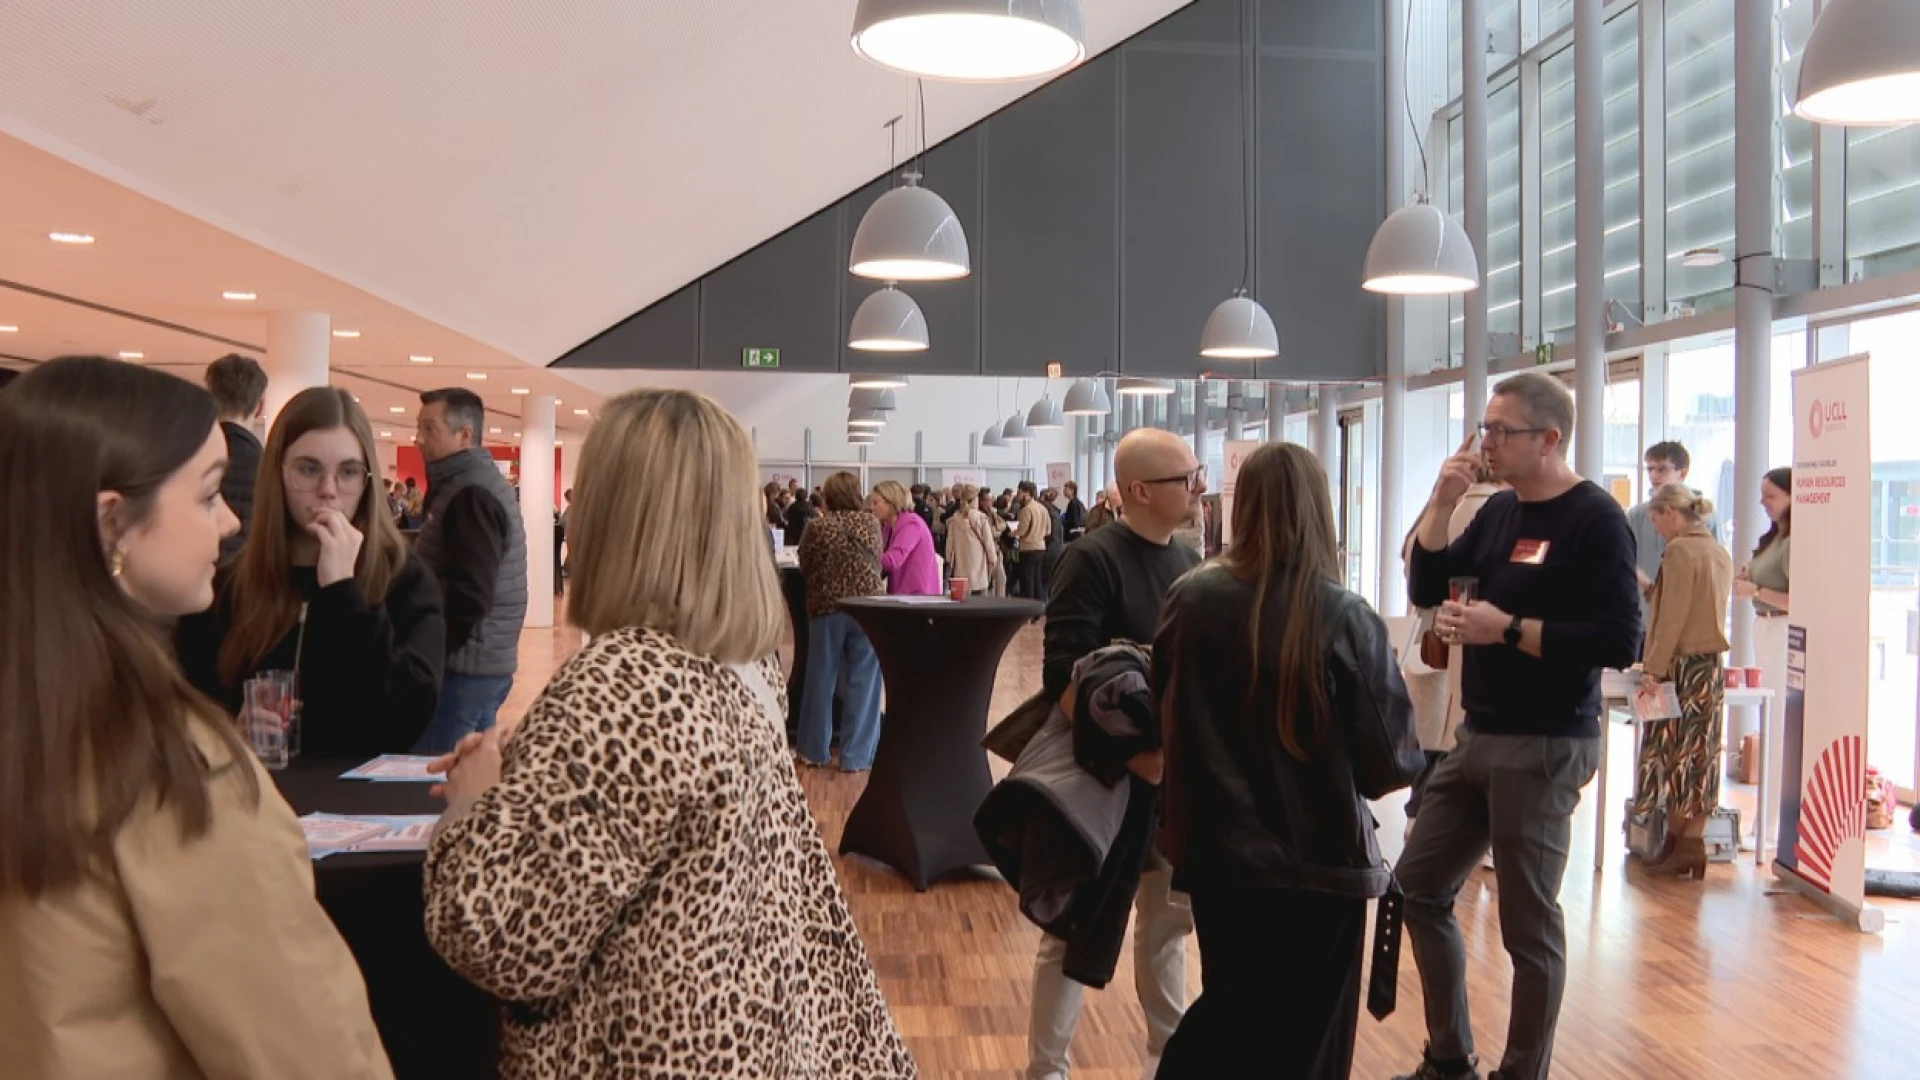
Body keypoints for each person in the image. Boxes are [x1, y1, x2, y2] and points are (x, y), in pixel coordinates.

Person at [421, 388, 915, 1079]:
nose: (575, 511)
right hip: (744, 1036)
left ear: (626, 516)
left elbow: (507, 938)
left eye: (589, 492)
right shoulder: (740, 664)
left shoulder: (625, 684)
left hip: (644, 1049)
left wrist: (472, 807)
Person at [0, 356, 391, 1079]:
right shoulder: (166, 763)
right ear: (112, 521)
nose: (232, 517)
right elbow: (305, 1047)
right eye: (209, 495)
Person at [1396, 372, 1640, 1080]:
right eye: (1485, 428)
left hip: (1546, 740)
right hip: (1477, 734)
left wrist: (1507, 630)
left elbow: (1619, 639)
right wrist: (1441, 504)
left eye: (1502, 431)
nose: (1487, 443)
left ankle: (1522, 1071)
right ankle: (1449, 1058)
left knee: (1527, 928)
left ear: (1550, 439)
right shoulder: (1499, 511)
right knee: (1418, 887)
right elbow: (1426, 583)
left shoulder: (1595, 520)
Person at [1154, 443, 1422, 1079]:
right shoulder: (1340, 613)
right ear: (1319, 509)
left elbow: (1164, 706)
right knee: (1309, 1045)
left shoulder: (1190, 598)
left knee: (1234, 1018)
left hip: (1218, 857)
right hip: (1319, 863)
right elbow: (1390, 763)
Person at [1025, 428, 1206, 1080]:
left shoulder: (1187, 564)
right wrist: (1133, 760)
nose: (1198, 487)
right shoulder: (1092, 559)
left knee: (1167, 926)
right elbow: (1062, 679)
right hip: (1105, 782)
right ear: (1137, 491)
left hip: (1168, 786)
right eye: (1186, 476)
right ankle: (1048, 1068)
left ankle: (1169, 1058)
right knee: (1074, 928)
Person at [176, 387, 447, 759]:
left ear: (366, 480)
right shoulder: (230, 586)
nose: (328, 491)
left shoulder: (405, 579)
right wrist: (228, 732)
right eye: (308, 469)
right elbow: (188, 705)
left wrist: (343, 592)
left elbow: (405, 719)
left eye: (348, 472)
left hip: (362, 806)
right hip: (258, 801)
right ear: (279, 473)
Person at [411, 388, 527, 754]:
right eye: (419, 428)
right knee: (471, 776)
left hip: (465, 668)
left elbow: (471, 595)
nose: (420, 440)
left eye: (431, 429)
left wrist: (431, 649)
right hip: (478, 664)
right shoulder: (466, 484)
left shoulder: (471, 494)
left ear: (465, 434)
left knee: (431, 783)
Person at [1635, 483, 1732, 878]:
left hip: (1681, 668)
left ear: (1670, 514)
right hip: (1709, 668)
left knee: (1672, 753)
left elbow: (1672, 618)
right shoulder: (1717, 551)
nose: (1656, 529)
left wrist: (1651, 669)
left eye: (1656, 520)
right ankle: (1687, 841)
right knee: (1701, 755)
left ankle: (1681, 844)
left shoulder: (1678, 551)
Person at [796, 471, 886, 772]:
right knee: (864, 681)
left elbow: (804, 564)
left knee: (821, 678)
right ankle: (857, 756)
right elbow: (877, 559)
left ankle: (813, 751)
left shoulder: (817, 527)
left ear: (829, 496)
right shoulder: (872, 524)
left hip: (826, 607)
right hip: (867, 609)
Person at [1623, 441, 1719, 637]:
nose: (1654, 476)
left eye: (1662, 469)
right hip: (1646, 620)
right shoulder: (1637, 515)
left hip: (1688, 625)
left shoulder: (1705, 517)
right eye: (1650, 469)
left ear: (1681, 473)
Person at [1736, 466, 1793, 791]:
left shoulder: (1793, 542)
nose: (1763, 502)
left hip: (1782, 632)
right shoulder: (1775, 537)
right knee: (1770, 719)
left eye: (1771, 496)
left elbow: (1799, 600)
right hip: (1766, 629)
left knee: (1778, 721)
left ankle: (1773, 816)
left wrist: (1756, 591)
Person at [204, 353, 268, 563]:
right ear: (260, 406)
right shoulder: (268, 469)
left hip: (200, 571)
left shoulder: (190, 458)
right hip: (247, 581)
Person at [872, 479, 940, 596]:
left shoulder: (911, 524)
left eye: (876, 502)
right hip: (903, 595)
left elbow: (893, 560)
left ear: (891, 502)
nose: (872, 508)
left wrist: (863, 558)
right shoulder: (889, 526)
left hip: (917, 596)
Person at [946, 483, 1000, 595]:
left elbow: (949, 542)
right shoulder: (981, 518)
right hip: (978, 561)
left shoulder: (954, 519)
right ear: (975, 499)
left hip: (961, 561)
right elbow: (988, 542)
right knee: (980, 594)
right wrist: (992, 558)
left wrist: (949, 558)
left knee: (962, 595)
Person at [1015, 481, 1052, 601]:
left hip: (1027, 548)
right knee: (1037, 581)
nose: (1018, 496)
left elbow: (1022, 531)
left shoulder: (1026, 510)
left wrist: (1011, 532)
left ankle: (1028, 611)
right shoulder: (1043, 508)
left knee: (1027, 583)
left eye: (1020, 493)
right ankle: (1038, 610)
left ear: (1027, 493)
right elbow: (1048, 531)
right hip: (1041, 547)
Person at [782, 482, 817, 548]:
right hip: (807, 536)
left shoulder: (792, 507)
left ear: (796, 495)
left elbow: (788, 519)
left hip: (793, 536)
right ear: (806, 496)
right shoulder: (811, 508)